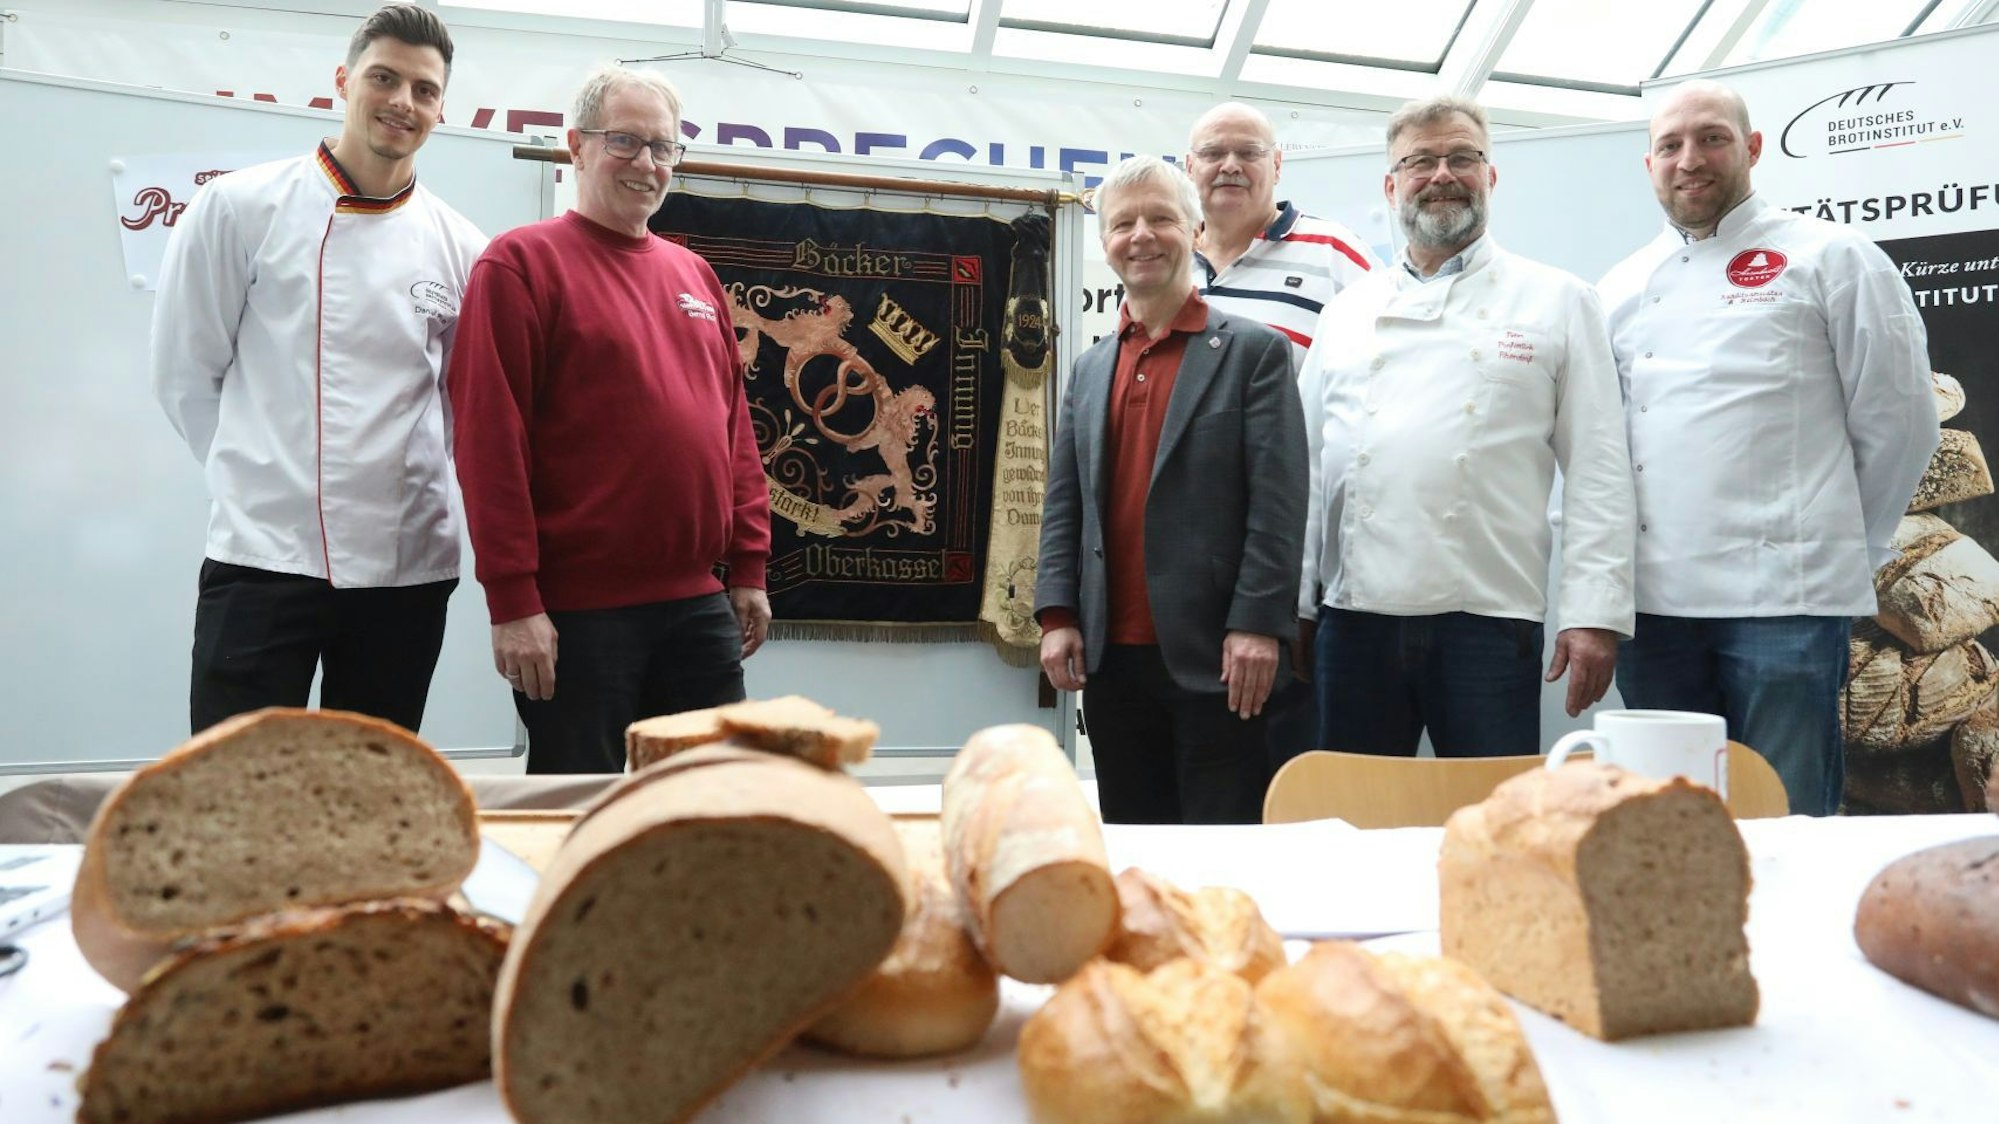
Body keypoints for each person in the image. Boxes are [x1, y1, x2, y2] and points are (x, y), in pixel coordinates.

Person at [1598, 80, 1938, 816]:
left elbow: (1901, 424)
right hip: (1649, 605)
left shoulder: (1834, 257)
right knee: (1667, 823)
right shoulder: (1619, 286)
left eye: (1711, 138)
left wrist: (1841, 545)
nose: (1689, 159)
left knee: (1784, 814)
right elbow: (1603, 451)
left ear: (1751, 149)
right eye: (1669, 145)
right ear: (1648, 163)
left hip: (1784, 598)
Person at [152, 3, 486, 736]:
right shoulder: (238, 208)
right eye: (384, 78)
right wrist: (263, 480)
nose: (402, 102)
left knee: (370, 795)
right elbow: (185, 373)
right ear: (343, 81)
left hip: (406, 564)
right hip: (264, 555)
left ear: (440, 109)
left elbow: (464, 415)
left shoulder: (462, 246)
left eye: (423, 90)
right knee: (232, 783)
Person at [447, 64, 772, 774]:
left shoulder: (693, 276)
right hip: (574, 619)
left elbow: (732, 432)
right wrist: (512, 602)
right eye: (624, 141)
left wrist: (747, 564)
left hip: (697, 606)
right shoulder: (518, 265)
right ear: (576, 146)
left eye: (663, 148)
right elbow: (488, 446)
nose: (646, 163)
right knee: (579, 824)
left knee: (712, 821)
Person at [1295, 95, 1636, 758]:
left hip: (1488, 620)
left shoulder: (1558, 299)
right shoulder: (1346, 311)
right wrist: (1299, 609)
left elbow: (1598, 467)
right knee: (1352, 821)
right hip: (1354, 620)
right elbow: (1308, 473)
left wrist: (1594, 614)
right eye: (1418, 162)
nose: (1441, 175)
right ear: (1390, 185)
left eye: (1461, 158)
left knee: (1493, 821)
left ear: (1491, 175)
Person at [1036, 155, 1307, 825]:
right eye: (1122, 223)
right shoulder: (1090, 368)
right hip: (1109, 661)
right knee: (1133, 849)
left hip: (1219, 657)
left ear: (1193, 230)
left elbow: (1278, 505)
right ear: (1103, 245)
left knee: (1222, 857)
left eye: (1160, 217)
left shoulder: (1253, 354)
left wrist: (1256, 624)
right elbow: (1063, 503)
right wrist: (1056, 615)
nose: (1141, 236)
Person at [1185, 100, 1380, 776]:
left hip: (1293, 578)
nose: (1230, 165)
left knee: (1287, 775)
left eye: (1248, 152)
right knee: (1202, 781)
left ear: (1277, 164)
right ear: (1189, 167)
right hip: (1184, 577)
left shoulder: (1335, 255)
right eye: (1213, 152)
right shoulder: (1164, 260)